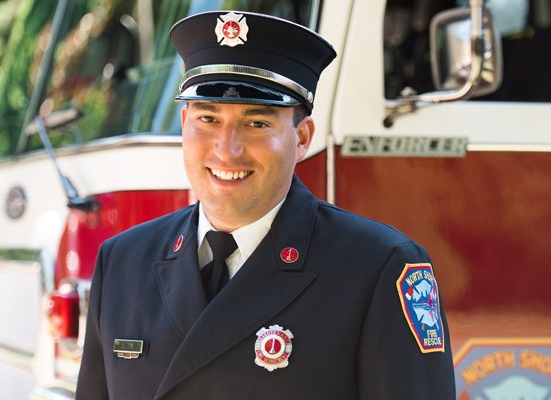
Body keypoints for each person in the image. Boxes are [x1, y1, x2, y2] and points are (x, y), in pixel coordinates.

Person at [76, 10, 456, 400]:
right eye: (208, 118)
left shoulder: (379, 268)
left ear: (303, 137)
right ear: (184, 121)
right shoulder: (122, 262)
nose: (227, 149)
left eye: (257, 124)